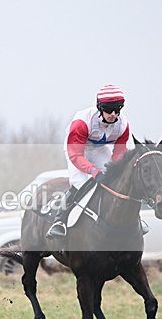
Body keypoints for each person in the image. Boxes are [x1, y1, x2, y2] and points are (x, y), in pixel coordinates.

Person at [46, 85, 130, 238]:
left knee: (113, 181)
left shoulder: (123, 125)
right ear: (100, 107)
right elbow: (76, 155)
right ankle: (59, 220)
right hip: (76, 150)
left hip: (99, 149)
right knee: (81, 183)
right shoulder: (82, 122)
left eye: (117, 110)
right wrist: (93, 171)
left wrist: (113, 171)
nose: (113, 114)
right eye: (109, 110)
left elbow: (119, 153)